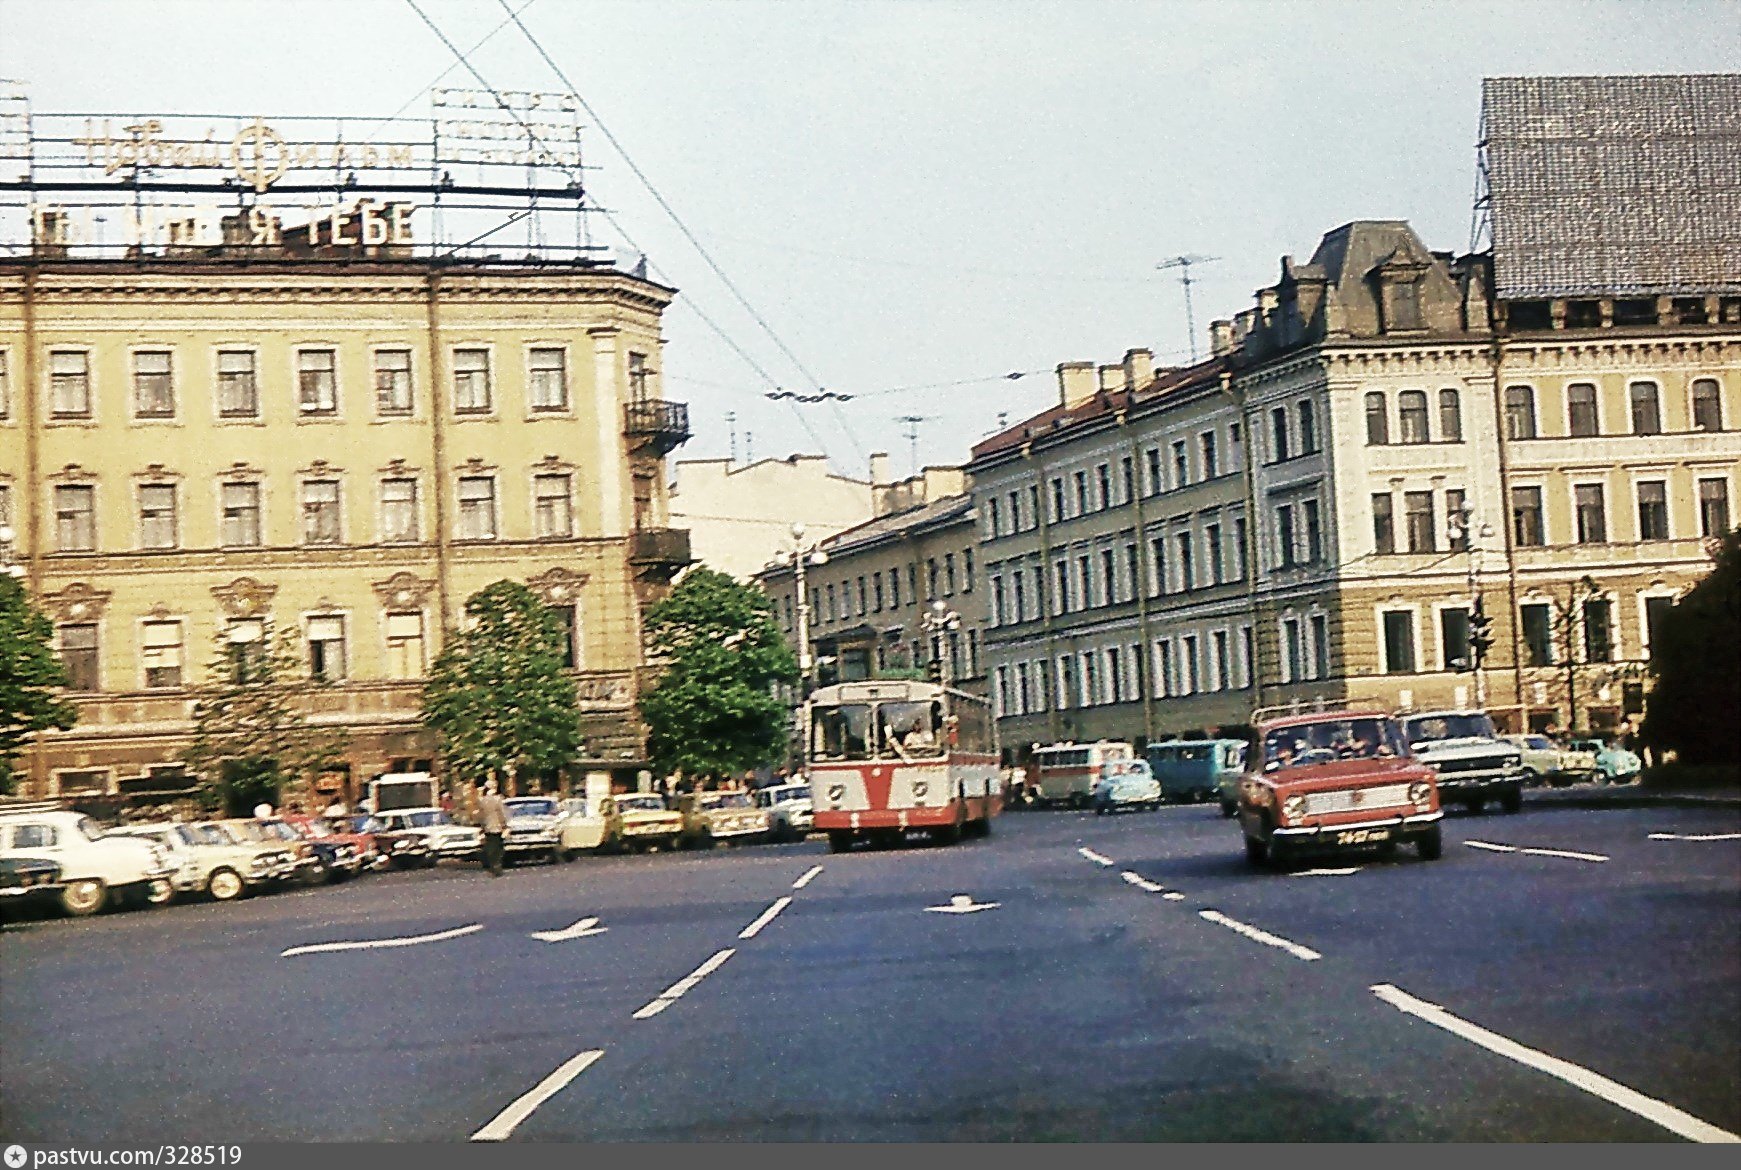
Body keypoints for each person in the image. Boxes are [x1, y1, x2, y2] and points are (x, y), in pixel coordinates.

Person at [479, 780, 508, 877]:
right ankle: (497, 866)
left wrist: (482, 826)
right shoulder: (497, 799)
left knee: (490, 847)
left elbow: (481, 815)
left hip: (487, 827)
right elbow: (501, 813)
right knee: (498, 847)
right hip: (497, 826)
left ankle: (492, 866)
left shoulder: (482, 800)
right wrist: (504, 824)